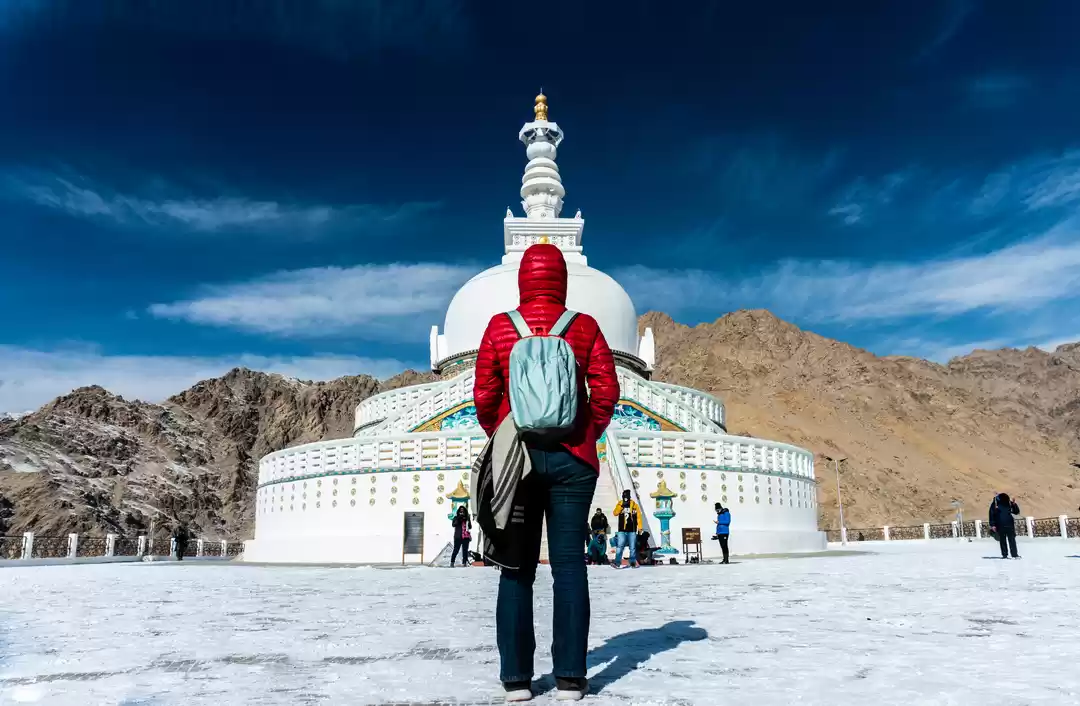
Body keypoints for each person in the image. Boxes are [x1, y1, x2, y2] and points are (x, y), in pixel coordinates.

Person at [473, 243, 619, 702]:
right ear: (562, 280)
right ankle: (571, 677)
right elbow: (606, 389)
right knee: (569, 567)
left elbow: (484, 395)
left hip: (517, 461)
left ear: (523, 279)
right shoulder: (584, 326)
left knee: (515, 569)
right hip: (574, 461)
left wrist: (505, 433)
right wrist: (585, 431)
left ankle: (516, 679)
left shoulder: (500, 326)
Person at [612, 489, 642, 569]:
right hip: (622, 530)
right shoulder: (620, 504)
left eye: (627, 496)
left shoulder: (634, 505)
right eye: (624, 496)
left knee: (632, 547)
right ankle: (617, 563)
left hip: (632, 529)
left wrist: (640, 527)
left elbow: (639, 516)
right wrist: (621, 506)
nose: (625, 498)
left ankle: (632, 563)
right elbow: (615, 513)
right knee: (620, 546)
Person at [988, 492, 1021, 559]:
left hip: (1007, 524)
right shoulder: (995, 504)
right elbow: (992, 514)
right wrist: (992, 525)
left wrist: (1014, 504)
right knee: (1006, 540)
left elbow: (1016, 511)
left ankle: (1011, 554)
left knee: (1008, 540)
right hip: (1003, 524)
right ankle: (1009, 555)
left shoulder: (1008, 503)